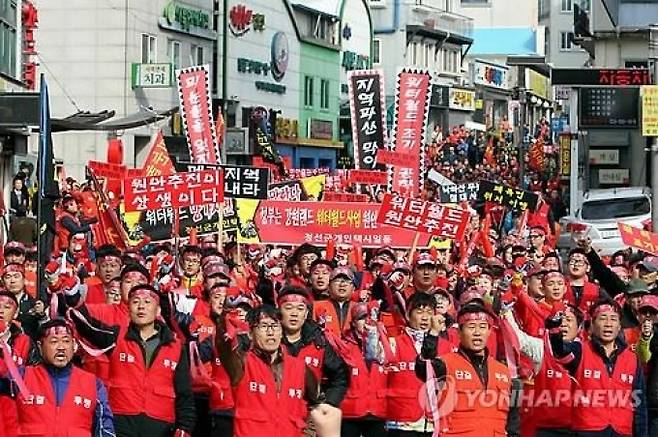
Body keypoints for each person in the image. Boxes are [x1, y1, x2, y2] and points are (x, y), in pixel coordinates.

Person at [70, 284, 196, 436]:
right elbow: (86, 324)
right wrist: (71, 294)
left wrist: (184, 429)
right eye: (135, 302)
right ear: (128, 309)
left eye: (147, 302)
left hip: (161, 425)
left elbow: (184, 393)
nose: (141, 306)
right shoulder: (117, 336)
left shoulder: (175, 346)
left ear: (158, 310)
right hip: (121, 420)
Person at [215, 304, 320, 437]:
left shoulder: (300, 368)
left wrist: (308, 432)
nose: (270, 332)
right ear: (250, 334)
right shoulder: (242, 364)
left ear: (281, 331)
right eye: (263, 326)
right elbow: (223, 348)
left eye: (275, 326)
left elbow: (317, 403)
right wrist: (223, 323)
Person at [415, 302, 518, 437]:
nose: (477, 333)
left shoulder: (503, 370)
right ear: (459, 332)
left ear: (489, 331)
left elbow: (513, 418)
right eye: (471, 327)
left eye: (482, 327)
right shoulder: (445, 364)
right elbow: (423, 367)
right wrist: (433, 333)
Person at [548, 299, 647, 437]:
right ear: (592, 325)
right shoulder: (580, 350)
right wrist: (554, 328)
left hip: (622, 430)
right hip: (588, 430)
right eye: (602, 318)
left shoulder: (632, 358)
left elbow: (640, 406)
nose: (608, 324)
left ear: (619, 326)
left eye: (613, 319)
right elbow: (560, 351)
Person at [0, 318, 115, 436]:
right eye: (54, 341)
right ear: (40, 346)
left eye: (66, 341)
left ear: (74, 345)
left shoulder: (93, 384)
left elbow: (105, 427)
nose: (61, 347)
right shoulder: (20, 378)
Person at [386, 293, 456, 436]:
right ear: (407, 315)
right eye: (419, 312)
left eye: (429, 312)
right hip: (402, 421)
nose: (425, 317)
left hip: (435, 421)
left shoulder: (447, 347)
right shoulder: (393, 343)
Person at [277, 286, 348, 409]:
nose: (294, 314)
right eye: (288, 308)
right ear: (279, 312)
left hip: (307, 416)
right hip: (274, 413)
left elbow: (340, 378)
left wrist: (328, 404)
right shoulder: (269, 342)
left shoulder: (319, 343)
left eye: (300, 309)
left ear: (306, 314)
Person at [313, 267, 356, 335]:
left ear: (353, 288)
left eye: (347, 281)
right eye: (337, 281)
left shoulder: (360, 308)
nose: (342, 285)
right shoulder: (316, 307)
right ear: (329, 287)